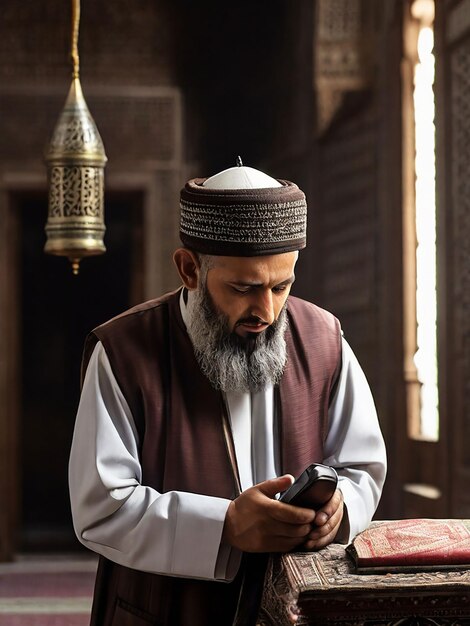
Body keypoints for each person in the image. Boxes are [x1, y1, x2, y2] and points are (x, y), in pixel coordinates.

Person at [69, 163, 387, 626]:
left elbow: (362, 468)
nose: (267, 310)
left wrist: (338, 512)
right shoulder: (123, 351)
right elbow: (101, 506)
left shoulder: (324, 338)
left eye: (282, 286)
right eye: (244, 288)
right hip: (166, 609)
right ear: (189, 269)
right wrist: (226, 527)